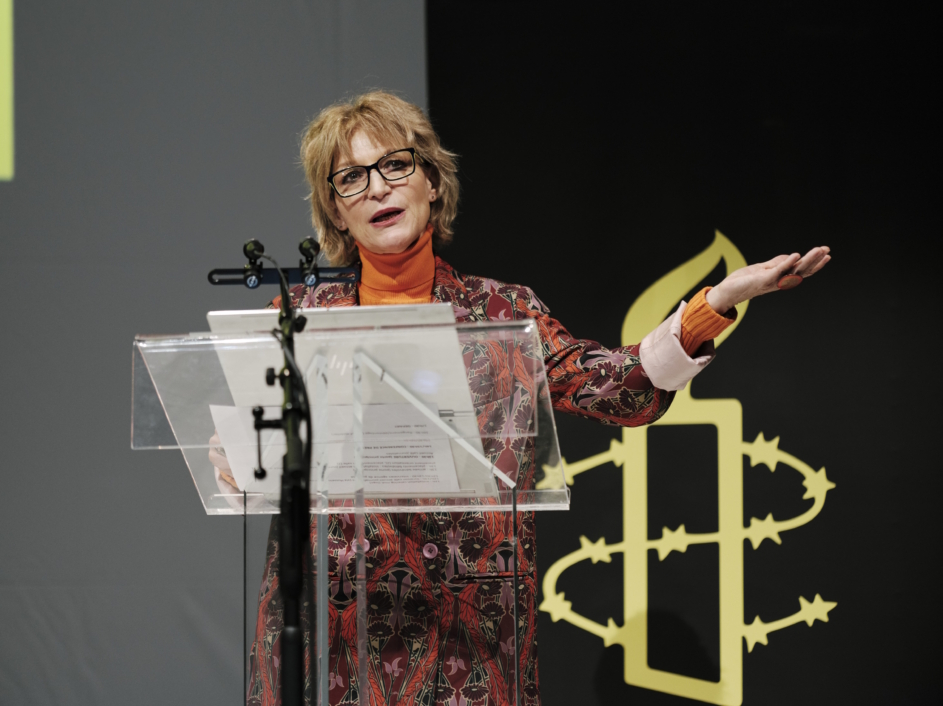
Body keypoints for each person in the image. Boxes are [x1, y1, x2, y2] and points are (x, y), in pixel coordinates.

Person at [211, 91, 830, 706]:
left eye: (395, 165)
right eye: (350, 178)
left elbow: (620, 391)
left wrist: (713, 306)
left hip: (464, 647)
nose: (376, 187)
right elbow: (256, 453)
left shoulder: (502, 314)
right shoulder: (296, 319)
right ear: (336, 213)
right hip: (328, 636)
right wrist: (237, 457)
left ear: (431, 182)